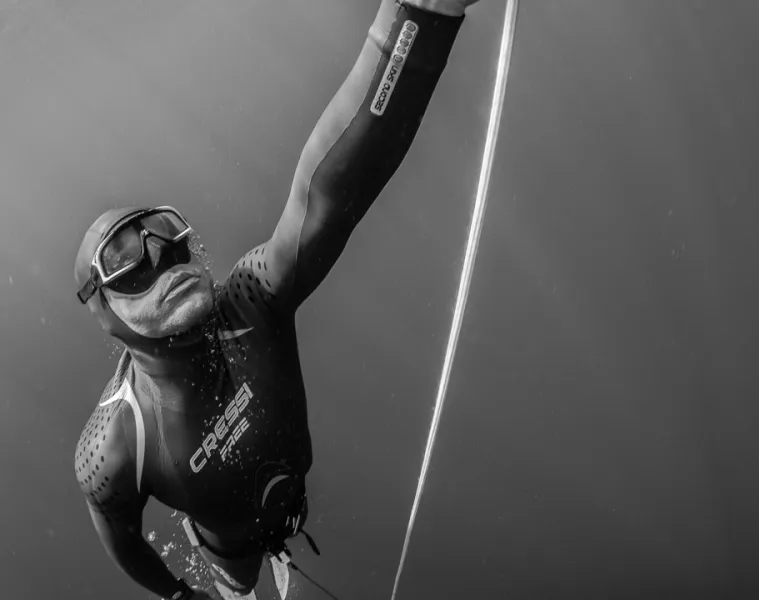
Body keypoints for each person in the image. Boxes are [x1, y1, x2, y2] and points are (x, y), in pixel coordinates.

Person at [74, 1, 481, 598]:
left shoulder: (250, 300)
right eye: (124, 261)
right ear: (105, 313)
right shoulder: (115, 444)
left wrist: (422, 15)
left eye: (166, 233)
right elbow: (122, 537)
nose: (162, 259)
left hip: (292, 498)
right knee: (237, 586)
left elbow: (327, 196)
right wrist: (179, 595)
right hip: (230, 550)